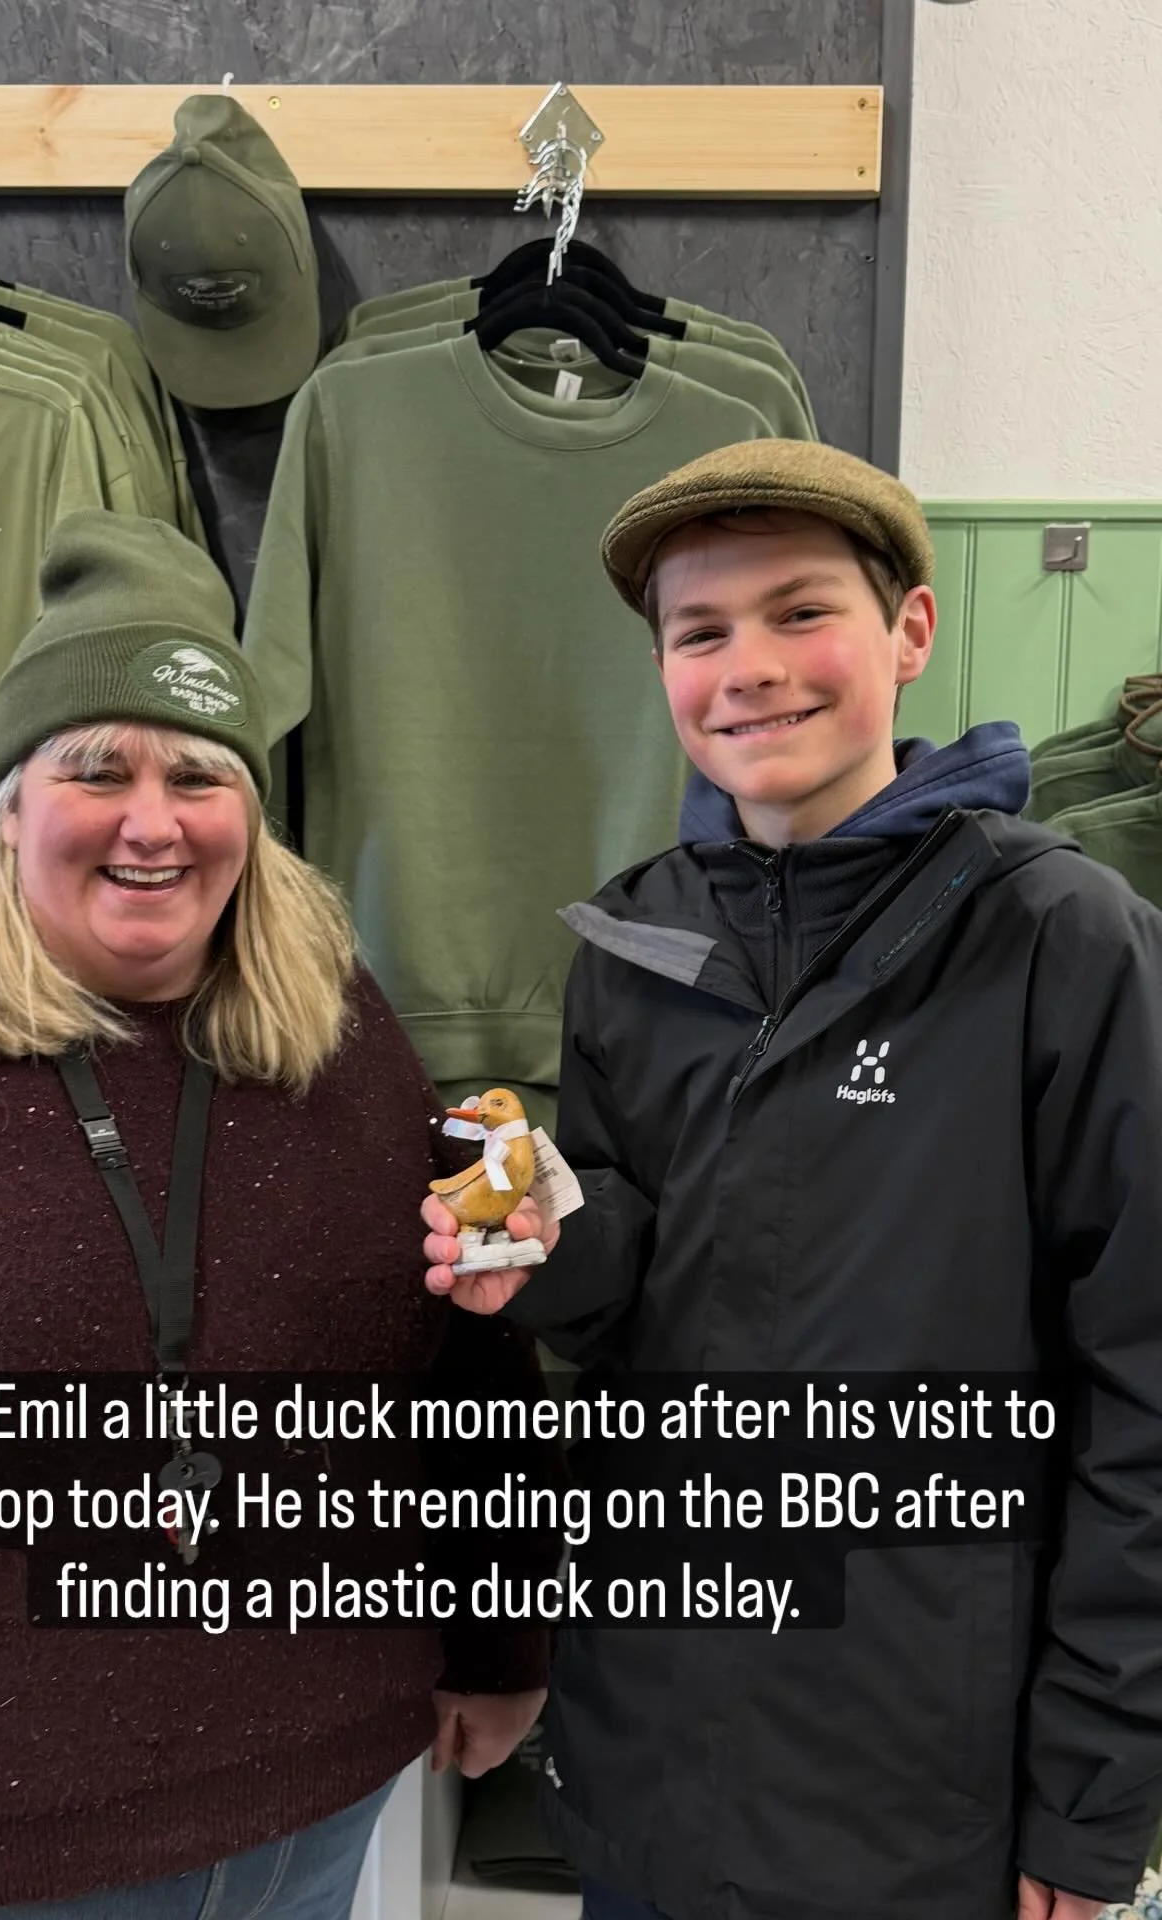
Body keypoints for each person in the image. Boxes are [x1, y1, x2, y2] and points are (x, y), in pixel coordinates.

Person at [0, 512, 550, 1920]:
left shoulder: (337, 1027)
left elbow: (456, 1350)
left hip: (316, 1785)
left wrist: (498, 1630)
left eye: (198, 773)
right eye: (95, 769)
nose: (152, 819)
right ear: (11, 801)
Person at [422, 441, 1162, 1920]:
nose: (749, 668)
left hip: (925, 1790)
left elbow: (1144, 1388)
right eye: (701, 634)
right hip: (654, 1756)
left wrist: (1087, 1808)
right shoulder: (630, 945)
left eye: (800, 612)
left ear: (911, 633)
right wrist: (551, 1256)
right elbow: (642, 1278)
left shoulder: (1059, 938)